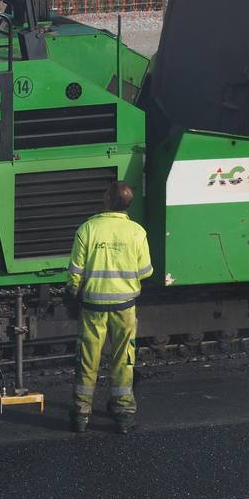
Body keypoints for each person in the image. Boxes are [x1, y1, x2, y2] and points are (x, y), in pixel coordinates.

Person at [68, 181, 153, 435]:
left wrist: (73, 293)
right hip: (125, 307)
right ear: (128, 203)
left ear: (107, 199)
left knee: (88, 359)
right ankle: (124, 416)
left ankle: (81, 415)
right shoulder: (137, 232)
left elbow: (75, 272)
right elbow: (145, 271)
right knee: (123, 359)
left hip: (93, 305)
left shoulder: (88, 229)